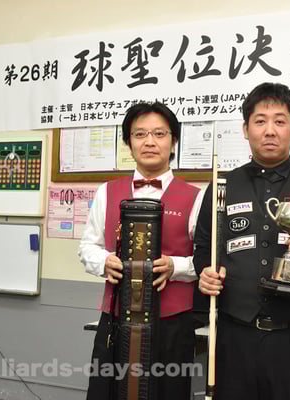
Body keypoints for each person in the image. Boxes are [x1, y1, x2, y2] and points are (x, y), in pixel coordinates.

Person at [194, 82, 290, 400]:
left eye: (280, 121)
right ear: (245, 129)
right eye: (260, 121)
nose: (270, 130)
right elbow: (203, 248)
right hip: (234, 336)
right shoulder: (222, 186)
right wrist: (205, 274)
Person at [78, 102, 204, 400]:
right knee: (107, 392)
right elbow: (87, 247)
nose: (149, 142)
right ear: (128, 142)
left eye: (159, 133)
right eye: (140, 134)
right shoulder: (107, 191)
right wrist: (104, 261)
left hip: (172, 323)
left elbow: (206, 261)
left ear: (174, 141)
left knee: (168, 393)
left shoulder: (196, 197)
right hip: (116, 319)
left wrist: (175, 267)